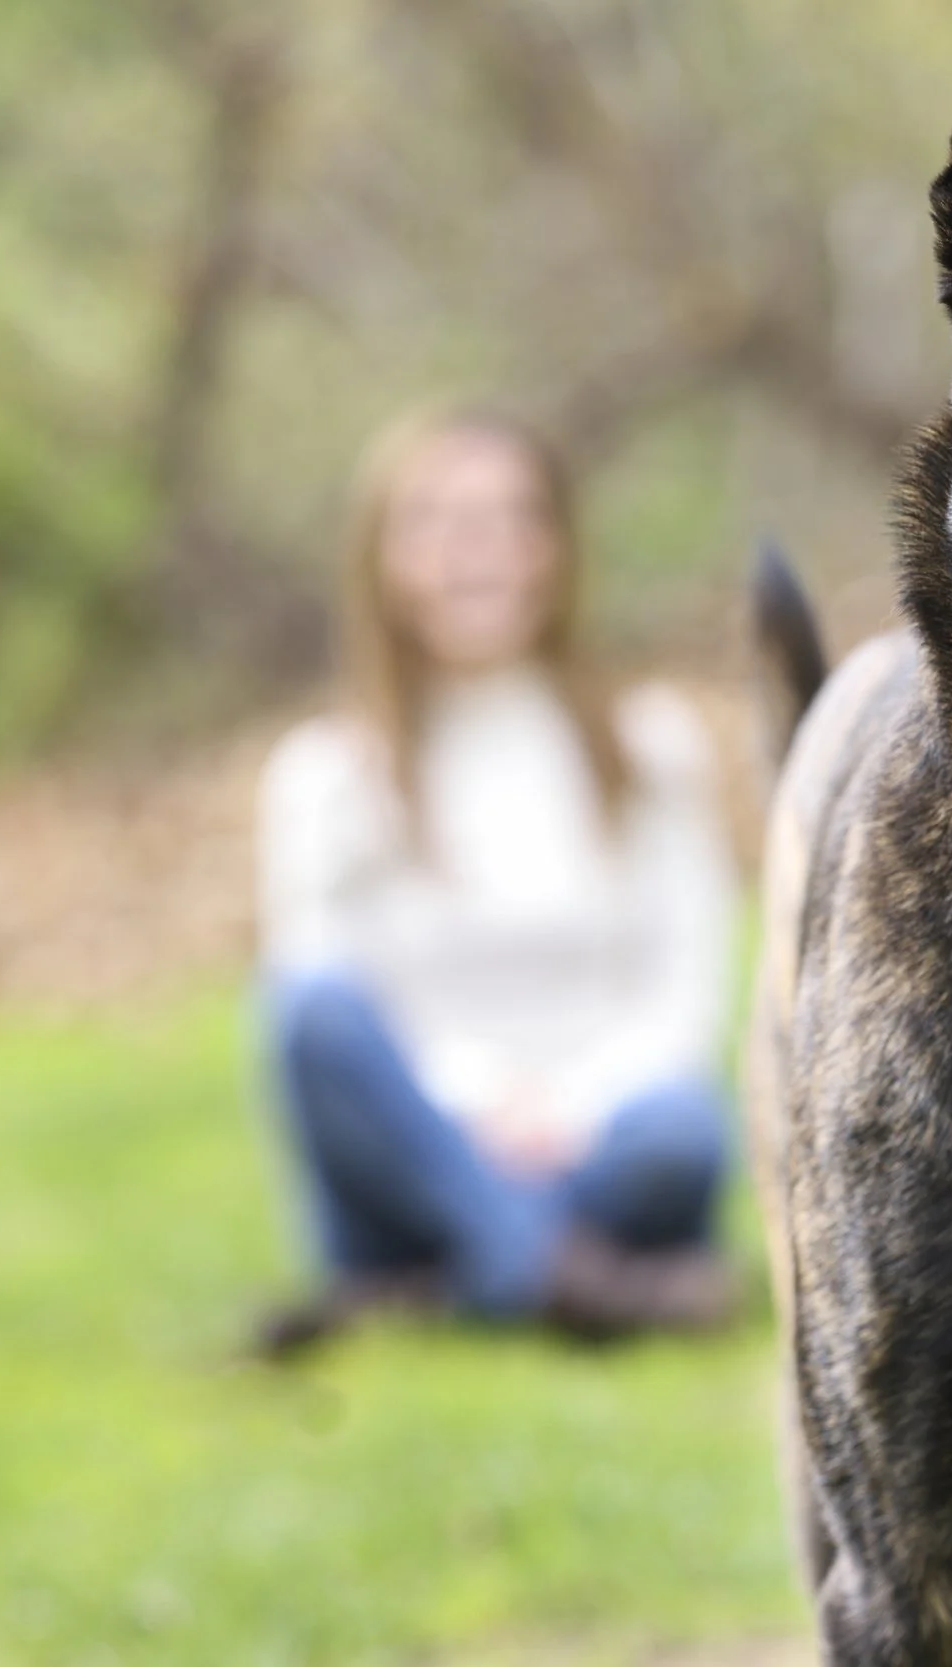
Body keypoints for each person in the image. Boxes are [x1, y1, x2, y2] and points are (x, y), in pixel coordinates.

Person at [252, 405, 738, 1355]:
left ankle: (434, 1286)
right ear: (381, 560)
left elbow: (684, 994)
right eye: (433, 521)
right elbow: (335, 1001)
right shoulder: (325, 776)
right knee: (307, 1013)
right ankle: (560, 1273)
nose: (472, 551)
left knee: (680, 1132)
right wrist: (474, 1106)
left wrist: (566, 1111)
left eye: (506, 518)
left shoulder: (652, 751)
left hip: (605, 1139)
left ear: (554, 547)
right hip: (420, 1149)